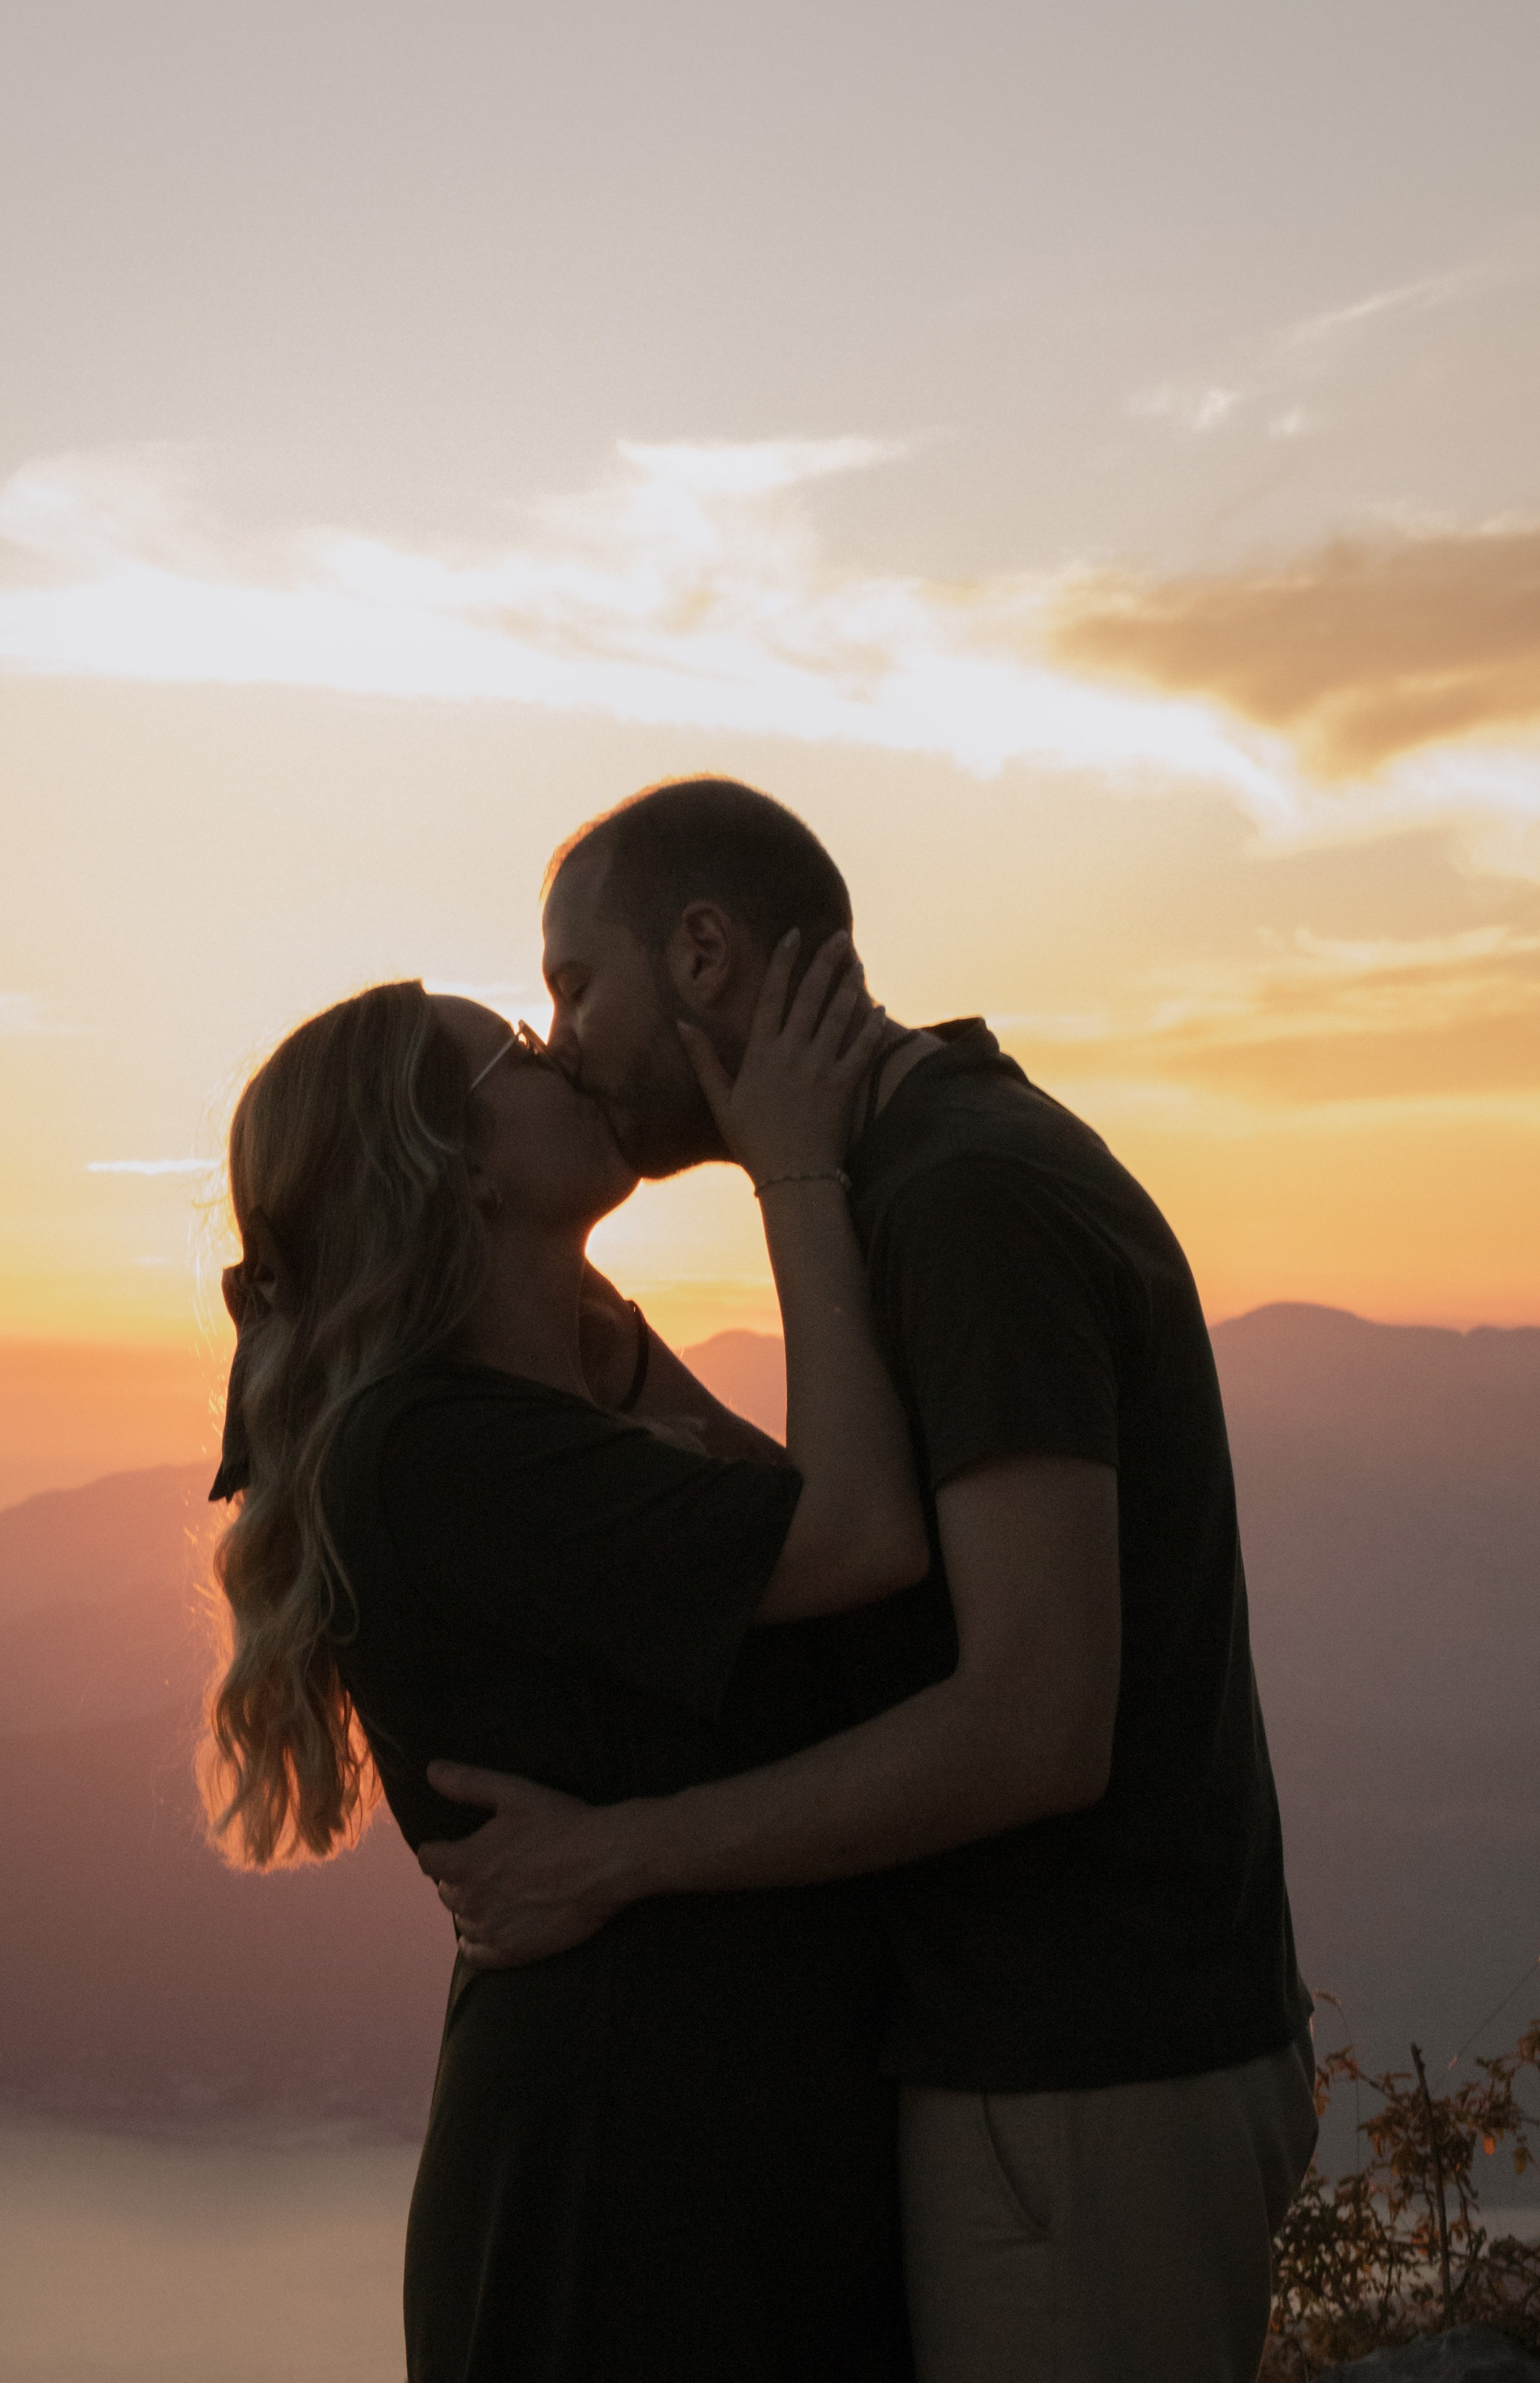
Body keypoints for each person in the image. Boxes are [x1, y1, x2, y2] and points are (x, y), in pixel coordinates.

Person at [420, 775, 1321, 2383]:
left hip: (1079, 2069)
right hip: (1047, 2062)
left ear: (702, 951)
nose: (555, 1038)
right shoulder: (916, 1172)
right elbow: (854, 1564)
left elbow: (1037, 1720)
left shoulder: (957, 1197)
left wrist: (623, 1857)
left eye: (572, 981)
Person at [200, 946, 929, 2383]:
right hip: (628, 2203)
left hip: (696, 2152)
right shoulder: (433, 1452)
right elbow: (859, 1538)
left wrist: (607, 1338)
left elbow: (806, 1564)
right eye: (518, 1052)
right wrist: (795, 1178)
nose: (563, 1057)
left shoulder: (523, 1425)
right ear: (452, 1166)